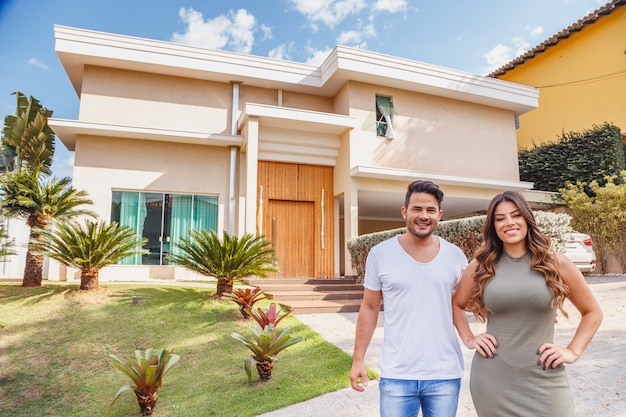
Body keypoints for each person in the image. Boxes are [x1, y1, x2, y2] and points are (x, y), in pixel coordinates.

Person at [452, 191, 603, 417]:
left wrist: (572, 351)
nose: (509, 223)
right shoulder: (480, 266)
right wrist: (469, 338)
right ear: (493, 226)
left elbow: (592, 312)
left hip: (545, 377)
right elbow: (457, 304)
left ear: (527, 219)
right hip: (494, 380)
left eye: (516, 215)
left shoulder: (556, 263)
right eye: (500, 218)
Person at [349, 180, 468, 417]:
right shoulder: (380, 254)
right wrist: (358, 358)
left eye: (430, 210)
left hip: (444, 374)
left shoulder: (455, 256)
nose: (423, 215)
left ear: (439, 215)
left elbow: (463, 305)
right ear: (405, 212)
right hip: (397, 374)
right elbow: (370, 308)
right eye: (417, 209)